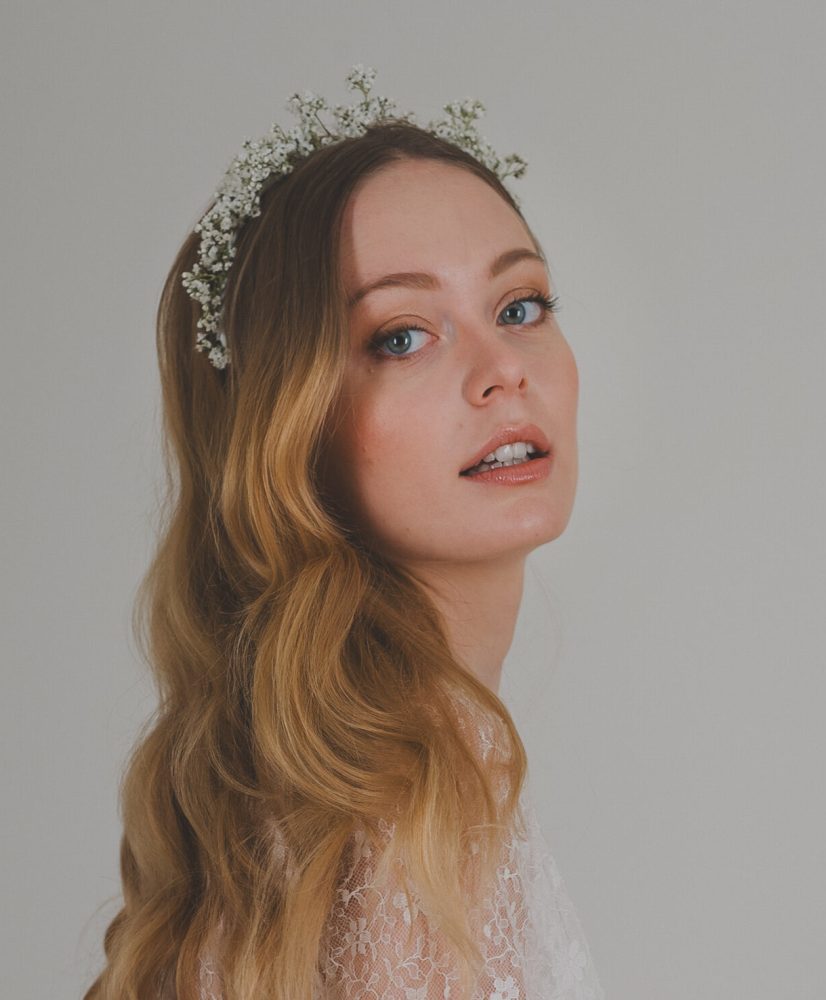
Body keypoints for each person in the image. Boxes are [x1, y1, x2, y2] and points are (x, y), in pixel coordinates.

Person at [83, 68, 605, 1000]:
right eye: (402, 336)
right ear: (293, 427)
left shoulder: (330, 788)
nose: (501, 373)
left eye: (519, 306)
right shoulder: (411, 803)